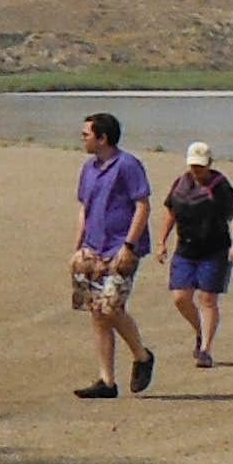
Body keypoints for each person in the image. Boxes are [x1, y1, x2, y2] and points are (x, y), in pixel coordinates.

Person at [68, 110, 156, 398]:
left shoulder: (128, 165)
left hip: (120, 248)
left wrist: (129, 246)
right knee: (97, 313)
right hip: (93, 248)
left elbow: (142, 205)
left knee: (111, 307)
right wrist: (78, 246)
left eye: (87, 134)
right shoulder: (88, 169)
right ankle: (106, 380)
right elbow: (85, 208)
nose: (83, 139)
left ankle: (142, 356)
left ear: (103, 137)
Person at [157, 139, 233, 370]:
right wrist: (162, 241)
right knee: (180, 297)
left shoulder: (221, 185)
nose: (197, 170)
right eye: (193, 165)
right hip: (186, 248)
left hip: (214, 249)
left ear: (209, 164)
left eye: (201, 166)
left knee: (207, 299)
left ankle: (205, 349)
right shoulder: (180, 185)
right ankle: (199, 330)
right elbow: (171, 214)